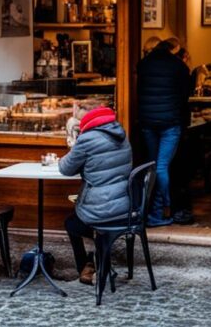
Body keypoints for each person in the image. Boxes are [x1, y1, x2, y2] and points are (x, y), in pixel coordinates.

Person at [58, 107, 133, 284]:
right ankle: (97, 262)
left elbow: (65, 168)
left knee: (71, 223)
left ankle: (85, 265)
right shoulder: (121, 134)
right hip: (124, 208)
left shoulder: (87, 139)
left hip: (102, 211)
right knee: (86, 218)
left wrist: (75, 144)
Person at [136, 37, 191, 227]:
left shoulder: (143, 64)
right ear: (172, 50)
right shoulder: (178, 66)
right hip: (170, 123)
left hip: (147, 121)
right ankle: (164, 209)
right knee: (161, 167)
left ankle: (151, 211)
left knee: (153, 166)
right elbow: (185, 95)